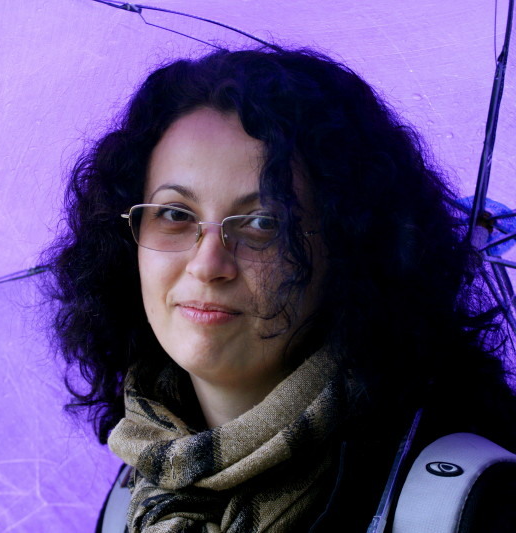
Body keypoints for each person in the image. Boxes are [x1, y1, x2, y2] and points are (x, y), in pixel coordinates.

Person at [42, 47, 516, 531]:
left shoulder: (465, 507)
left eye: (263, 222)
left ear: (350, 247)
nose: (208, 264)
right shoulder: (128, 505)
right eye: (175, 214)